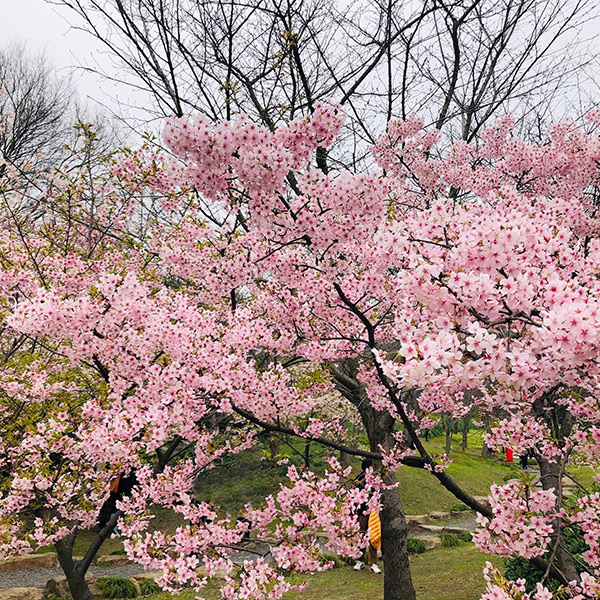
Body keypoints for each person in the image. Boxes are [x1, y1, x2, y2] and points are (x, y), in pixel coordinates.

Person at [353, 458, 382, 574]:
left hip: (374, 512)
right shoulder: (359, 479)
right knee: (361, 535)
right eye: (371, 466)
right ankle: (360, 560)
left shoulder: (376, 480)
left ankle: (373, 562)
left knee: (373, 536)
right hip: (362, 512)